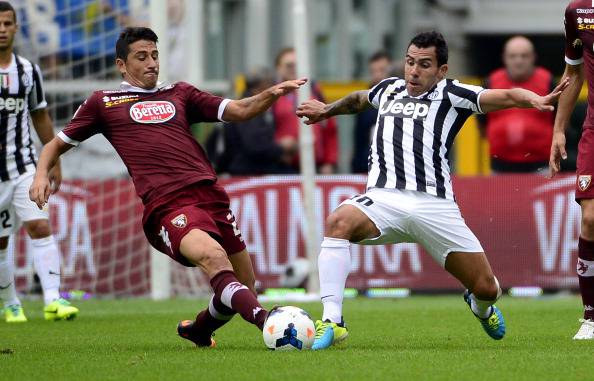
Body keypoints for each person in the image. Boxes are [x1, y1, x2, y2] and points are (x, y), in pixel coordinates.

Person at [29, 27, 306, 347]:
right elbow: (55, 145)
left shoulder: (181, 93)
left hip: (211, 197)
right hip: (168, 205)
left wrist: (270, 94)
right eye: (142, 57)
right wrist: (40, 176)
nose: (152, 63)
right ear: (121, 64)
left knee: (244, 284)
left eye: (155, 56)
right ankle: (270, 322)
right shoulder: (103, 103)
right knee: (215, 258)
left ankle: (200, 329)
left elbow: (240, 110)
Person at [297, 30, 567, 349]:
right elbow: (359, 99)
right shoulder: (388, 89)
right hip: (384, 199)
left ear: (441, 71)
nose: (413, 70)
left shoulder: (453, 95)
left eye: (424, 65)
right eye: (410, 62)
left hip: (434, 206)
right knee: (337, 222)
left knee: (487, 288)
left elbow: (505, 96)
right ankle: (333, 319)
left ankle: (481, 307)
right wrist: (326, 110)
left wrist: (533, 99)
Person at [0, 1, 78, 323]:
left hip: (24, 167)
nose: (2, 30)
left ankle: (53, 300)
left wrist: (53, 158)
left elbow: (40, 115)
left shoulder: (28, 71)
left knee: (40, 226)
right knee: (2, 242)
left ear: (17, 28)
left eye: (7, 24)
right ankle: (11, 302)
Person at [549, 0, 594, 340]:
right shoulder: (577, 12)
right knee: (591, 218)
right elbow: (573, 72)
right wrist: (559, 129)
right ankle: (591, 316)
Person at [480, 36, 555, 173]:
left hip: (541, 164)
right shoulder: (491, 82)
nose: (518, 61)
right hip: (500, 165)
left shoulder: (547, 81)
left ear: (533, 57)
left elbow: (559, 118)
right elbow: (481, 119)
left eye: (524, 56)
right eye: (513, 56)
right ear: (504, 58)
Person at [273, 47, 338, 174]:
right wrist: (277, 147)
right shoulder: (272, 95)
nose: (293, 69)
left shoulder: (314, 91)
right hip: (282, 166)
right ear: (279, 68)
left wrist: (329, 161)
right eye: (289, 65)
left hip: (316, 166)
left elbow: (330, 128)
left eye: (297, 65)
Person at [225, 68, 298, 175]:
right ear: (258, 89)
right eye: (270, 87)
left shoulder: (245, 106)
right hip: (249, 175)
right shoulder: (249, 110)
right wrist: (281, 148)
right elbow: (254, 146)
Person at [352, 51, 393, 173]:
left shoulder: (405, 99)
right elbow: (359, 138)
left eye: (382, 70)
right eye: (373, 72)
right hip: (369, 167)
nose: (377, 76)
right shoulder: (365, 102)